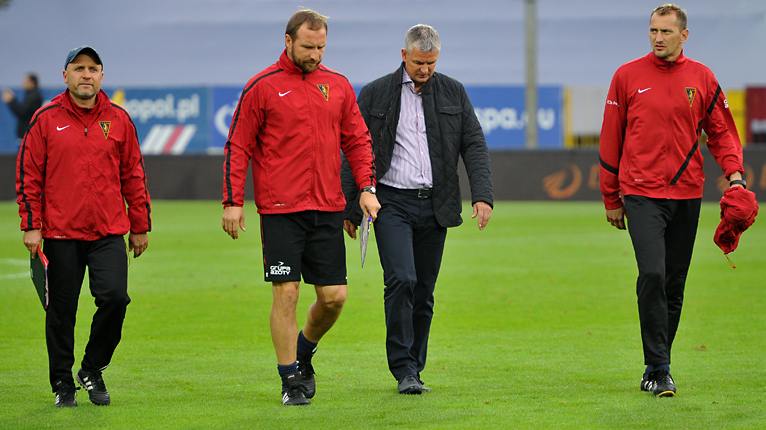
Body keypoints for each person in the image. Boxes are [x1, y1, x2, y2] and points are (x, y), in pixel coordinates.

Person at [221, 9, 380, 406]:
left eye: (321, 47)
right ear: (288, 41)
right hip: (280, 210)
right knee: (287, 293)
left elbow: (358, 141)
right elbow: (238, 145)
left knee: (334, 298)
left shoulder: (338, 85)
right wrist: (233, 201)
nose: (315, 55)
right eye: (308, 47)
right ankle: (290, 379)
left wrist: (366, 188)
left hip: (327, 207)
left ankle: (303, 350)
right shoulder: (261, 86)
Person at [599, 4, 745, 397]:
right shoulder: (626, 76)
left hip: (687, 192)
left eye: (665, 31)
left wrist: (735, 176)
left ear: (684, 35)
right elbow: (611, 138)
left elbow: (722, 133)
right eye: (653, 30)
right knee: (652, 274)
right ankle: (660, 368)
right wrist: (610, 195)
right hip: (640, 192)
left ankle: (656, 367)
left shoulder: (702, 78)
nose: (658, 37)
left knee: (674, 282)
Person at [342, 24, 493, 394]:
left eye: (431, 63)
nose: (425, 69)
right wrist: (349, 207)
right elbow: (354, 146)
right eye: (419, 62)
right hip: (390, 202)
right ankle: (403, 368)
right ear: (404, 55)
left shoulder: (453, 91)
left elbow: (473, 143)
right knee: (402, 279)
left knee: (423, 290)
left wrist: (482, 195)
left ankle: (415, 367)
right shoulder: (376, 92)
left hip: (436, 203)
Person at [16, 46, 151, 407]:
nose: (86, 75)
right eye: (79, 68)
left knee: (115, 299)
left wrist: (139, 224)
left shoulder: (119, 119)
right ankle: (62, 384)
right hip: (60, 233)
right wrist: (31, 224)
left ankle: (92, 368)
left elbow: (134, 174)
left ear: (102, 75)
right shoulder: (45, 119)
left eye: (93, 68)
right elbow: (29, 175)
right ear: (66, 76)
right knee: (61, 313)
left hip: (108, 231)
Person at [2, 72, 43, 146]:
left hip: (28, 136)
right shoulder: (32, 95)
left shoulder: (34, 96)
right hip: (26, 136)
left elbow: (22, 112)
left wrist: (11, 100)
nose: (23, 83)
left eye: (26, 81)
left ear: (32, 83)